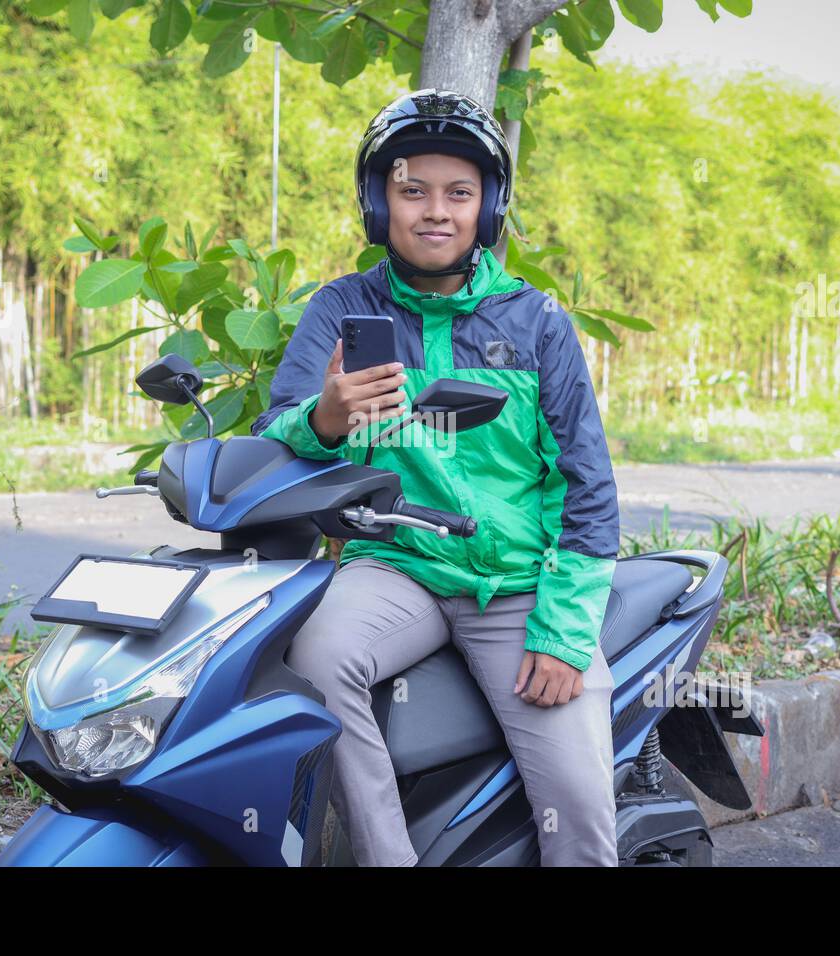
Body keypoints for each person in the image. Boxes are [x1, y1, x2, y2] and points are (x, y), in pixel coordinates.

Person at [251, 89, 621, 867]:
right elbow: (273, 437)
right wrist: (322, 418)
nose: (435, 212)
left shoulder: (537, 322)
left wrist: (562, 635)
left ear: (487, 209)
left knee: (581, 809)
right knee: (312, 663)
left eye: (459, 193)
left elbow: (586, 487)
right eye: (411, 190)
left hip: (517, 581)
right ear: (379, 204)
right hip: (397, 566)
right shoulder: (340, 307)